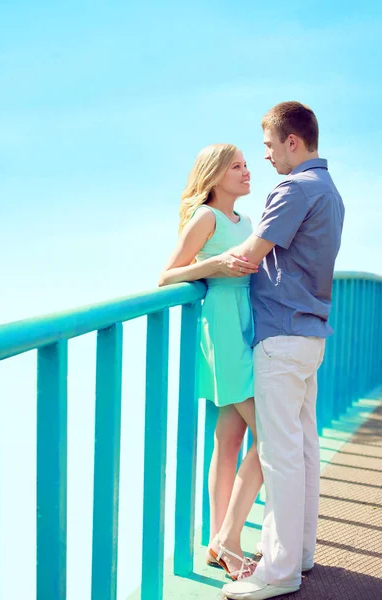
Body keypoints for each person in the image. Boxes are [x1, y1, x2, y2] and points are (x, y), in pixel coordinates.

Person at [222, 102, 345, 600]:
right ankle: (302, 554)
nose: (267, 157)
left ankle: (278, 571)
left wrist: (187, 271)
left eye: (270, 146)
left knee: (280, 456)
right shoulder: (331, 192)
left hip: (280, 334)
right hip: (309, 334)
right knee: (305, 450)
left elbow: (249, 255)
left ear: (293, 141)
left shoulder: (295, 188)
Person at [159, 143, 263, 580]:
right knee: (272, 434)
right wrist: (215, 264)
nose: (246, 171)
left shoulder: (248, 221)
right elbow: (166, 276)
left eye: (246, 165)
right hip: (221, 326)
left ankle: (217, 545)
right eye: (236, 166)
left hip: (247, 322)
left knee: (228, 441)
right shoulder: (207, 217)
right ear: (215, 174)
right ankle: (228, 540)